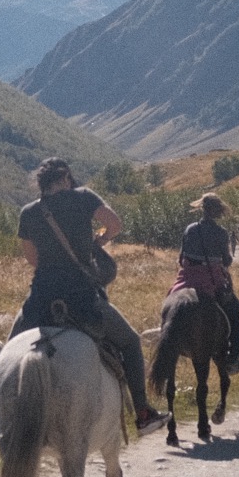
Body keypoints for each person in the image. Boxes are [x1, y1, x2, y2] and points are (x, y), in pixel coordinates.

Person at [10, 158, 158, 430]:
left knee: (9, 350)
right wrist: (99, 240)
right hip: (82, 298)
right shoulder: (83, 197)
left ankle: (4, 412)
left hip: (41, 299)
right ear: (66, 178)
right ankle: (143, 414)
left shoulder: (28, 212)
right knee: (130, 342)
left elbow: (33, 260)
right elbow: (114, 224)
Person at [175, 192, 239, 372]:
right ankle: (233, 358)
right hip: (211, 281)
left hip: (187, 279)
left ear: (202, 209)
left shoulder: (190, 229)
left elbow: (181, 259)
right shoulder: (221, 233)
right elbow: (226, 261)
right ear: (217, 212)